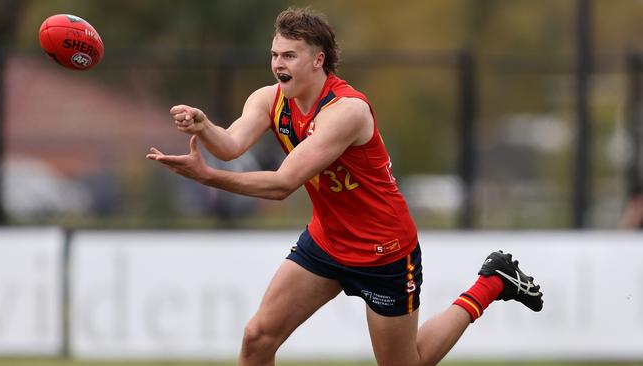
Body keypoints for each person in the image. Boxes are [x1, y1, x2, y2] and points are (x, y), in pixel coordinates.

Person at [147, 7, 543, 366]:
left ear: (318, 60)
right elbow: (231, 145)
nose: (277, 65)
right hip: (327, 242)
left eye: (289, 56)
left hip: (383, 250)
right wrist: (205, 128)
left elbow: (283, 184)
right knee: (256, 339)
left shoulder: (346, 112)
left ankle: (492, 282)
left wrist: (207, 176)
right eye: (274, 55)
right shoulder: (270, 100)